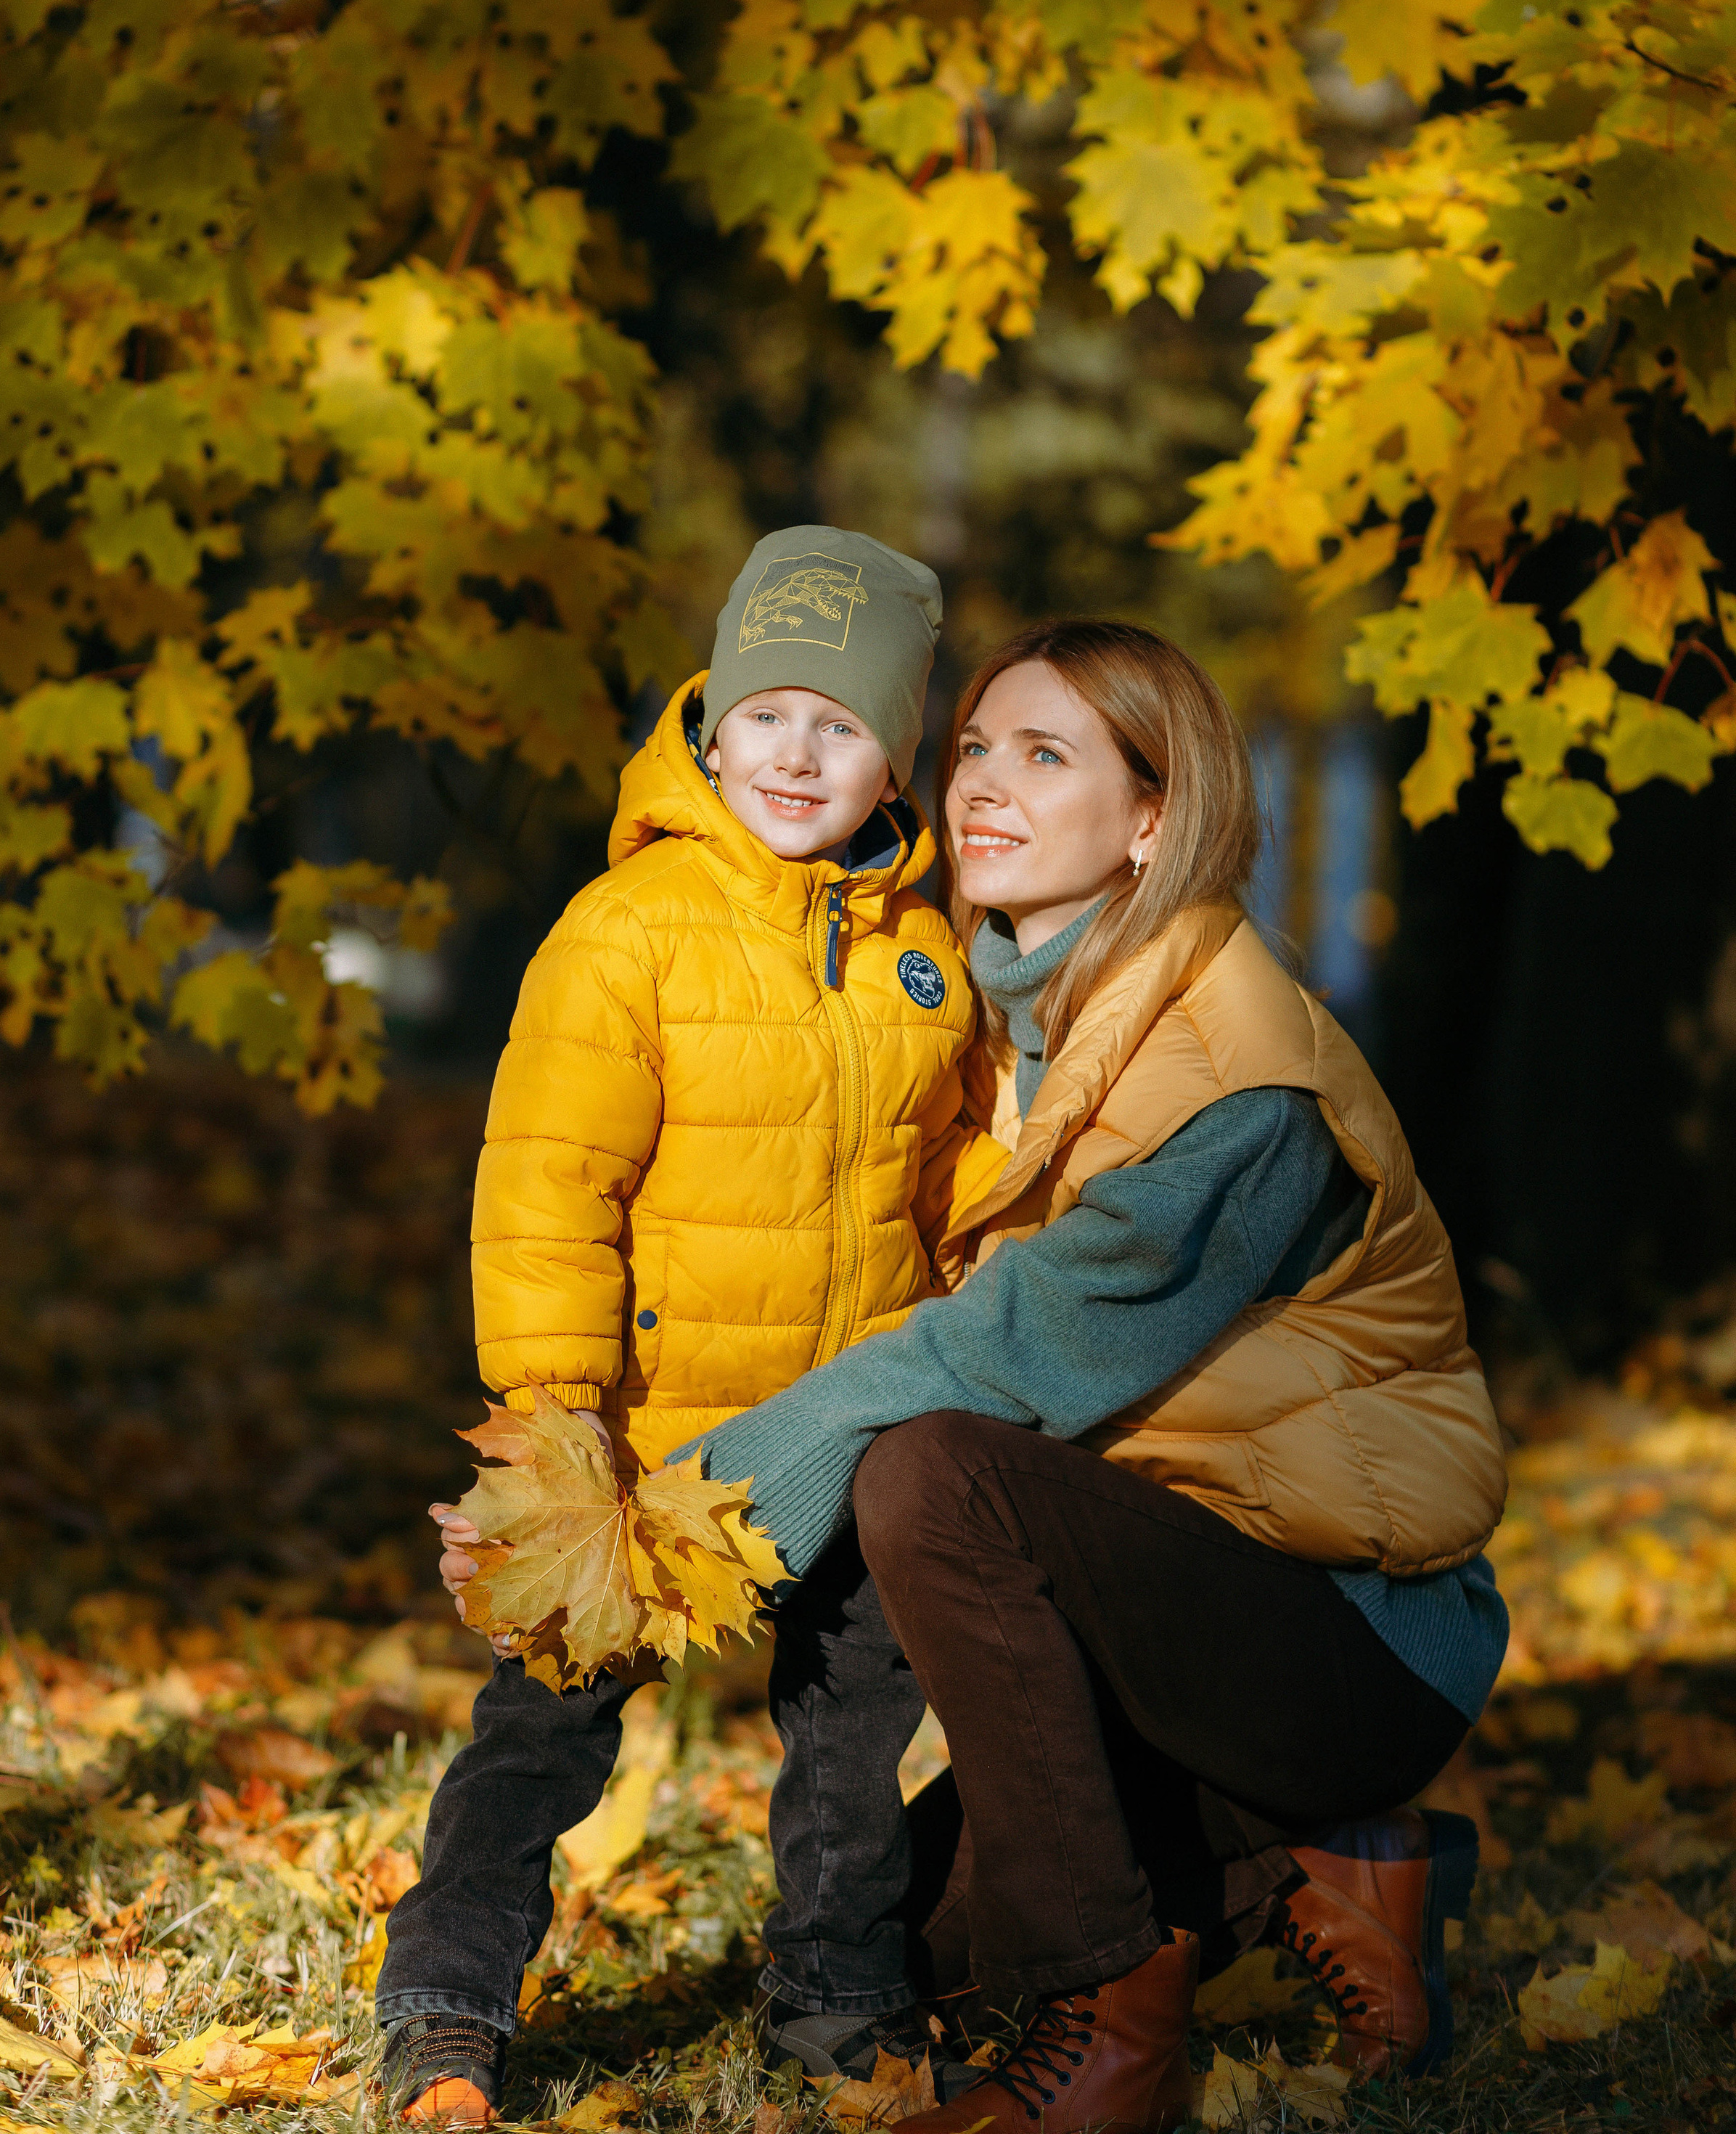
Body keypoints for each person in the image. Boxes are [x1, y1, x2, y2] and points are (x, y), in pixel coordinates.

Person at [684, 617, 1510, 2134]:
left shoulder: (1235, 1071)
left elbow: (1019, 1346)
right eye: (974, 749)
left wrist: (726, 1488)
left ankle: (1111, 2036)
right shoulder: (1012, 1017)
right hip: (1181, 1602)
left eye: (1043, 756)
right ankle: (1324, 1871)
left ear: (1150, 820)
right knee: (909, 1943)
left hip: (1342, 1641)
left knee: (926, 1469)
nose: (984, 787)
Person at [380, 526, 1007, 2127]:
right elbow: (545, 1185)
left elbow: (949, 1182)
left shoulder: (926, 954)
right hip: (642, 1439)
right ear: (709, 722)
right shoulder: (627, 929)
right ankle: (449, 2003)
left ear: (896, 758)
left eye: (844, 724)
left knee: (855, 1738)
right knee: (542, 1733)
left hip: (849, 1425)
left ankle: (837, 1994)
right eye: (770, 711)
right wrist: (552, 1405)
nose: (799, 752)